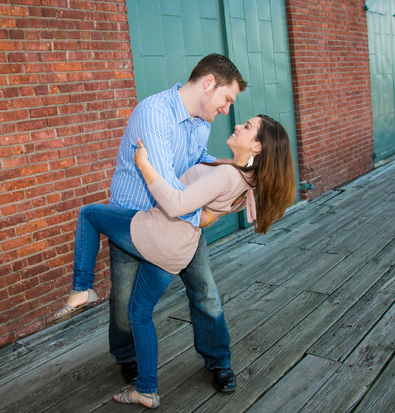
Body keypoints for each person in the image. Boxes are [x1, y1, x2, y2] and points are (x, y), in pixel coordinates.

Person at [55, 115, 296, 408]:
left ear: (258, 146)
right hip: (177, 250)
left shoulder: (227, 175)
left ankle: (82, 287)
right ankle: (145, 389)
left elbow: (176, 205)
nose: (235, 124)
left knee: (89, 214)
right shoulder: (248, 179)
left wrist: (143, 164)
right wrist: (205, 215)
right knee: (138, 313)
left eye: (246, 127)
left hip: (156, 232)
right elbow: (210, 207)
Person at [57, 54, 248, 392]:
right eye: (226, 99)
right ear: (208, 83)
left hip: (181, 227)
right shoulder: (154, 113)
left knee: (205, 294)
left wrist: (235, 168)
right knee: (124, 302)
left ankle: (219, 361)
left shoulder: (201, 121)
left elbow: (197, 160)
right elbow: (167, 188)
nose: (226, 109)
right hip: (135, 221)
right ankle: (128, 358)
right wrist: (205, 215)